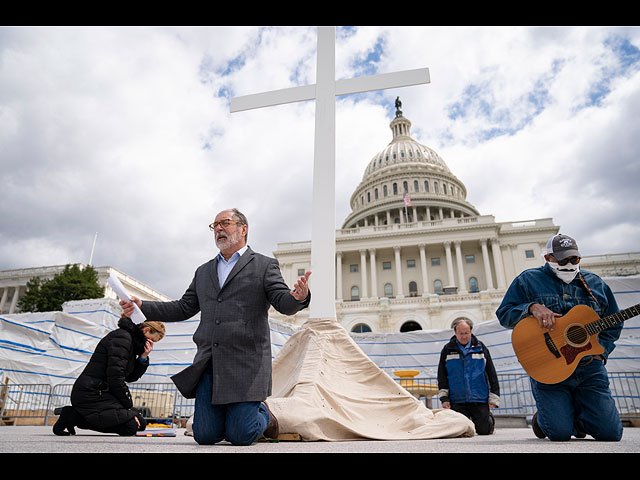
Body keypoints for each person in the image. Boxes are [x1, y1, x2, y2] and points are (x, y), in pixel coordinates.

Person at [120, 208, 311, 446]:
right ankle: (238, 416)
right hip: (210, 362)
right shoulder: (204, 271)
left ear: (243, 229)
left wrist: (298, 297)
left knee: (240, 436)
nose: (219, 229)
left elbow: (284, 302)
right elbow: (183, 307)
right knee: (206, 436)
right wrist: (143, 306)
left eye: (225, 223)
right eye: (215, 225)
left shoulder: (264, 265)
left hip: (246, 364)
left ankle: (265, 415)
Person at [496, 233, 623, 441]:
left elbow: (614, 321)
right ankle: (547, 418)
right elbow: (504, 314)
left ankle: (570, 414)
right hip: (551, 370)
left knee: (611, 434)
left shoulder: (595, 284)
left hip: (589, 368)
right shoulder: (528, 280)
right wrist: (531, 307)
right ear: (548, 258)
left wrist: (603, 352)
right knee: (559, 434)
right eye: (563, 260)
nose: (570, 264)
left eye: (575, 259)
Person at [53, 316, 165, 436]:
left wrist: (143, 358)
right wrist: (128, 406)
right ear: (146, 330)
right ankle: (71, 416)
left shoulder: (130, 342)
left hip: (103, 392)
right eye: (151, 340)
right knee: (131, 427)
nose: (151, 344)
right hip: (91, 393)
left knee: (141, 424)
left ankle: (75, 415)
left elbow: (129, 377)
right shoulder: (122, 338)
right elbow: (115, 377)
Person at [437, 318, 500, 435]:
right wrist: (444, 398)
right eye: (461, 333)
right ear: (455, 332)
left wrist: (494, 397)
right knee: (461, 431)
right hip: (457, 399)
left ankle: (488, 418)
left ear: (471, 331)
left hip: (479, 397)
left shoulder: (481, 348)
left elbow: (492, 373)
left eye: (467, 333)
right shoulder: (447, 350)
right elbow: (442, 375)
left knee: (483, 431)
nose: (464, 336)